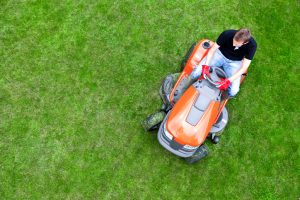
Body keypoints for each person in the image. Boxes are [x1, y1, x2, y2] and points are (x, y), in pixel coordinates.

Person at [191, 28, 257, 97]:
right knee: (196, 72)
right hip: (220, 54)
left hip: (235, 62)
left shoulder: (252, 46)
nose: (233, 44)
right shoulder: (227, 34)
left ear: (245, 43)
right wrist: (206, 66)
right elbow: (212, 49)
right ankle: (189, 85)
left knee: (234, 91)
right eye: (233, 41)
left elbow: (244, 67)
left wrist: (228, 81)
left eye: (237, 44)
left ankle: (221, 98)